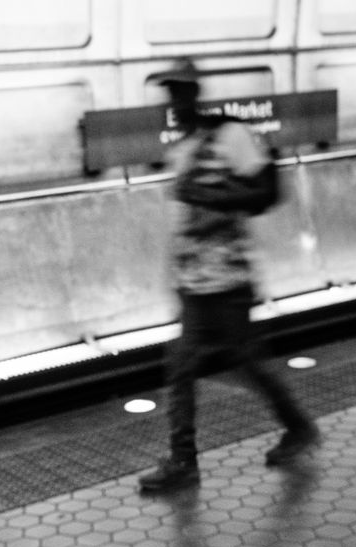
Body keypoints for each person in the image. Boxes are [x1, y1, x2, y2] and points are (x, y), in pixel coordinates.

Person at [140, 59, 319, 493]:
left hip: (229, 281)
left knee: (248, 363)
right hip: (194, 282)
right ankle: (184, 461)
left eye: (181, 93)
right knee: (181, 367)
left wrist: (207, 194)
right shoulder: (181, 149)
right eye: (170, 95)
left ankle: (298, 427)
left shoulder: (230, 135)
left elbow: (266, 191)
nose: (175, 103)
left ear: (196, 94)